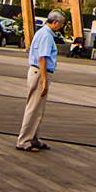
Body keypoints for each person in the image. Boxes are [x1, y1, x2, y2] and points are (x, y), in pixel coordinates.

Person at [16, 10, 64, 151]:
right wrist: (44, 80)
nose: (60, 27)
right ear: (55, 22)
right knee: (34, 107)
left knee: (38, 108)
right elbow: (42, 58)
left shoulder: (42, 33)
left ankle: (33, 137)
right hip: (39, 72)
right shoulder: (47, 36)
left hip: (37, 71)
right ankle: (24, 140)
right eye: (60, 24)